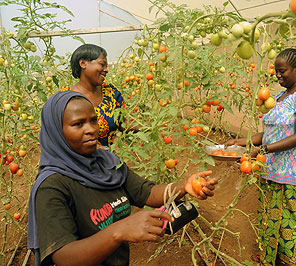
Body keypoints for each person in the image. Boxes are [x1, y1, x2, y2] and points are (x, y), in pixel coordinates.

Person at [27, 90, 218, 266]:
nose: (91, 129)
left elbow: (146, 192)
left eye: (93, 121)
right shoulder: (51, 187)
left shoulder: (107, 163)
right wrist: (119, 231)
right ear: (56, 133)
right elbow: (64, 256)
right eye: (78, 124)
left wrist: (184, 186)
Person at [226, 48, 296, 266]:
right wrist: (243, 142)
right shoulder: (277, 97)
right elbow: (269, 132)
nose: (278, 75)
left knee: (291, 225)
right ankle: (271, 260)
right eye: (276, 71)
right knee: (269, 220)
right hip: (269, 170)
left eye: (283, 71)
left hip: (291, 173)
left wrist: (263, 150)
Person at [61, 43, 136, 148]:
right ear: (83, 63)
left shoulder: (111, 92)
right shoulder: (65, 98)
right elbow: (56, 135)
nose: (106, 70)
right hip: (75, 162)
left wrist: (150, 126)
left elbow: (123, 124)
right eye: (102, 64)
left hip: (105, 160)